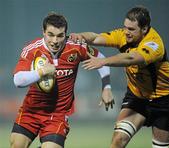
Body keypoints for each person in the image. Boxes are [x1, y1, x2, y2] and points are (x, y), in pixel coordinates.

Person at [69, 6, 169, 148]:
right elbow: (96, 37)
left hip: (164, 100)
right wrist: (81, 36)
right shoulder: (123, 35)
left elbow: (132, 58)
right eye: (125, 27)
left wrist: (103, 61)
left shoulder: (154, 44)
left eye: (131, 29)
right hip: (137, 98)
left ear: (145, 29)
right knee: (118, 141)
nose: (126, 32)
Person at [11, 12, 114, 148]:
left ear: (66, 33)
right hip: (31, 112)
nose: (55, 41)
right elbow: (18, 81)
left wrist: (106, 88)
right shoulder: (32, 50)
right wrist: (42, 72)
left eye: (60, 36)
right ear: (43, 32)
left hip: (57, 115)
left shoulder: (76, 47)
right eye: (51, 35)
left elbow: (102, 60)